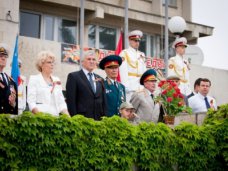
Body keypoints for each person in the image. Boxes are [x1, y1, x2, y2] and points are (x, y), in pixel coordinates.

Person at [66, 50, 106, 120]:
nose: (91, 61)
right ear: (82, 62)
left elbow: (103, 102)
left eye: (94, 59)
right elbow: (71, 101)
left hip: (98, 121)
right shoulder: (74, 76)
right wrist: (74, 119)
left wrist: (104, 118)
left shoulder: (100, 79)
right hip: (81, 121)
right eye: (89, 59)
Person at [27, 50, 69, 116]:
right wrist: (41, 117)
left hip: (55, 119)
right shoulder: (34, 79)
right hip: (39, 119)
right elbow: (31, 102)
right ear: (41, 64)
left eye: (53, 62)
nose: (52, 64)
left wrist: (68, 117)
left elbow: (61, 102)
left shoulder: (56, 80)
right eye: (49, 62)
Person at [119, 30, 147, 101]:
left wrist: (145, 86)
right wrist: (125, 86)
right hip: (130, 86)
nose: (137, 43)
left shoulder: (142, 55)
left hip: (141, 87)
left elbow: (144, 72)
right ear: (130, 40)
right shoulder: (124, 53)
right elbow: (123, 71)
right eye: (135, 40)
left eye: (138, 41)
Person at [0, 43, 18, 114]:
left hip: (8, 119)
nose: (3, 58)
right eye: (0, 56)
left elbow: (15, 106)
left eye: (5, 56)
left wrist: (13, 103)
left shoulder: (11, 81)